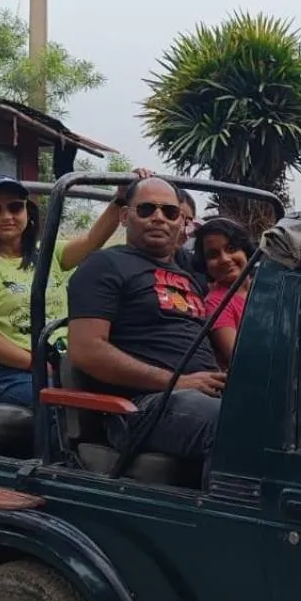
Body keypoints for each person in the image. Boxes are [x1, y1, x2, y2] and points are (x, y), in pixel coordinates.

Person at [0, 170, 154, 406]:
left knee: (131, 394)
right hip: (10, 372)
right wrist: (36, 364)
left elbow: (92, 242)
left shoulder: (47, 254)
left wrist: (120, 198)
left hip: (66, 362)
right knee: (65, 408)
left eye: (15, 207)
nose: (6, 216)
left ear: (28, 212)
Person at [66, 176, 228, 463]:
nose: (159, 218)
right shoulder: (104, 265)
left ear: (182, 222)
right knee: (240, 427)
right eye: (146, 209)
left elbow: (238, 260)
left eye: (169, 212)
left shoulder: (190, 275)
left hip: (204, 392)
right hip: (141, 406)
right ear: (126, 216)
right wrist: (177, 382)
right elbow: (86, 350)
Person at [194, 217, 254, 368]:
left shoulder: (268, 289)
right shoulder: (216, 304)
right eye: (213, 255)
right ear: (205, 264)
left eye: (231, 249)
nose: (225, 259)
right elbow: (241, 358)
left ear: (245, 251)